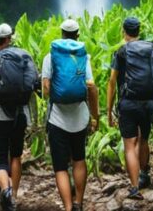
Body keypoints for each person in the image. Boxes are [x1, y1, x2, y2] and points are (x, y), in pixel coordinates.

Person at [41, 19, 99, 211]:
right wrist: (95, 115)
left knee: (60, 167)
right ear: (78, 35)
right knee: (79, 159)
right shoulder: (84, 56)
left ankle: (67, 207)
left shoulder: (50, 57)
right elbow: (91, 86)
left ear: (61, 34)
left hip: (57, 119)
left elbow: (46, 88)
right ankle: (78, 203)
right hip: (80, 117)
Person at [0, 23, 37, 211]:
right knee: (16, 156)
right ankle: (13, 197)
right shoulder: (24, 56)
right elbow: (32, 85)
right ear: (9, 39)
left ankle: (4, 190)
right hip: (20, 115)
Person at [106, 16, 153, 200]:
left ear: (124, 32)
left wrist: (108, 110)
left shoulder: (122, 52)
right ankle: (144, 175)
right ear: (139, 31)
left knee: (129, 145)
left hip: (129, 103)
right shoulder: (151, 49)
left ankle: (134, 187)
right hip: (149, 102)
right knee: (143, 139)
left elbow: (112, 82)